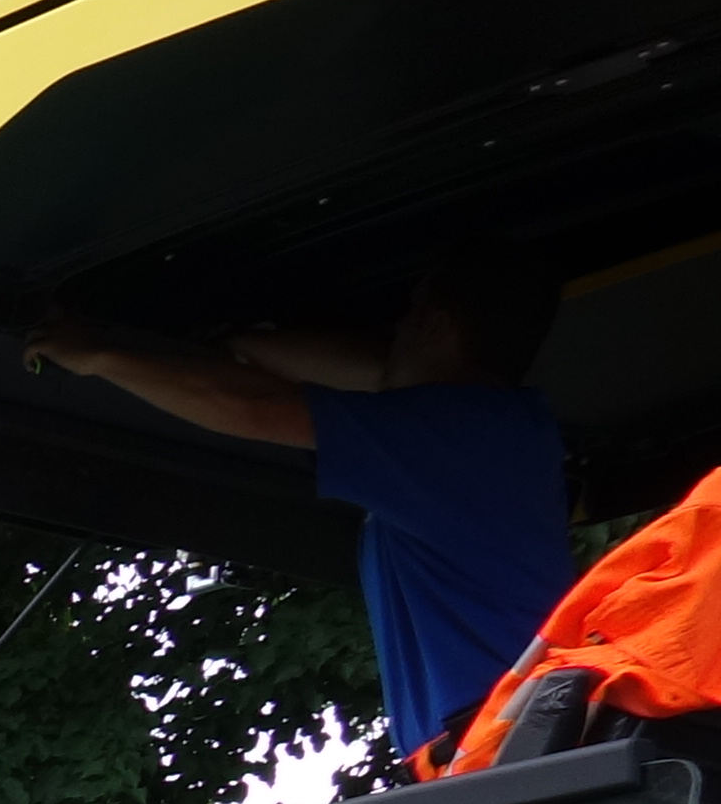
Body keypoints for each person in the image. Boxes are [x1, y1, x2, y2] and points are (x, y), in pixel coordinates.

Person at [29, 249, 575, 765]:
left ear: (436, 325)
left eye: (405, 319)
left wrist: (96, 356)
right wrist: (232, 341)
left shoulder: (449, 435)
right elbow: (373, 374)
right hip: (511, 745)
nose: (391, 338)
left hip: (500, 752)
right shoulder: (506, 430)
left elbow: (252, 405)